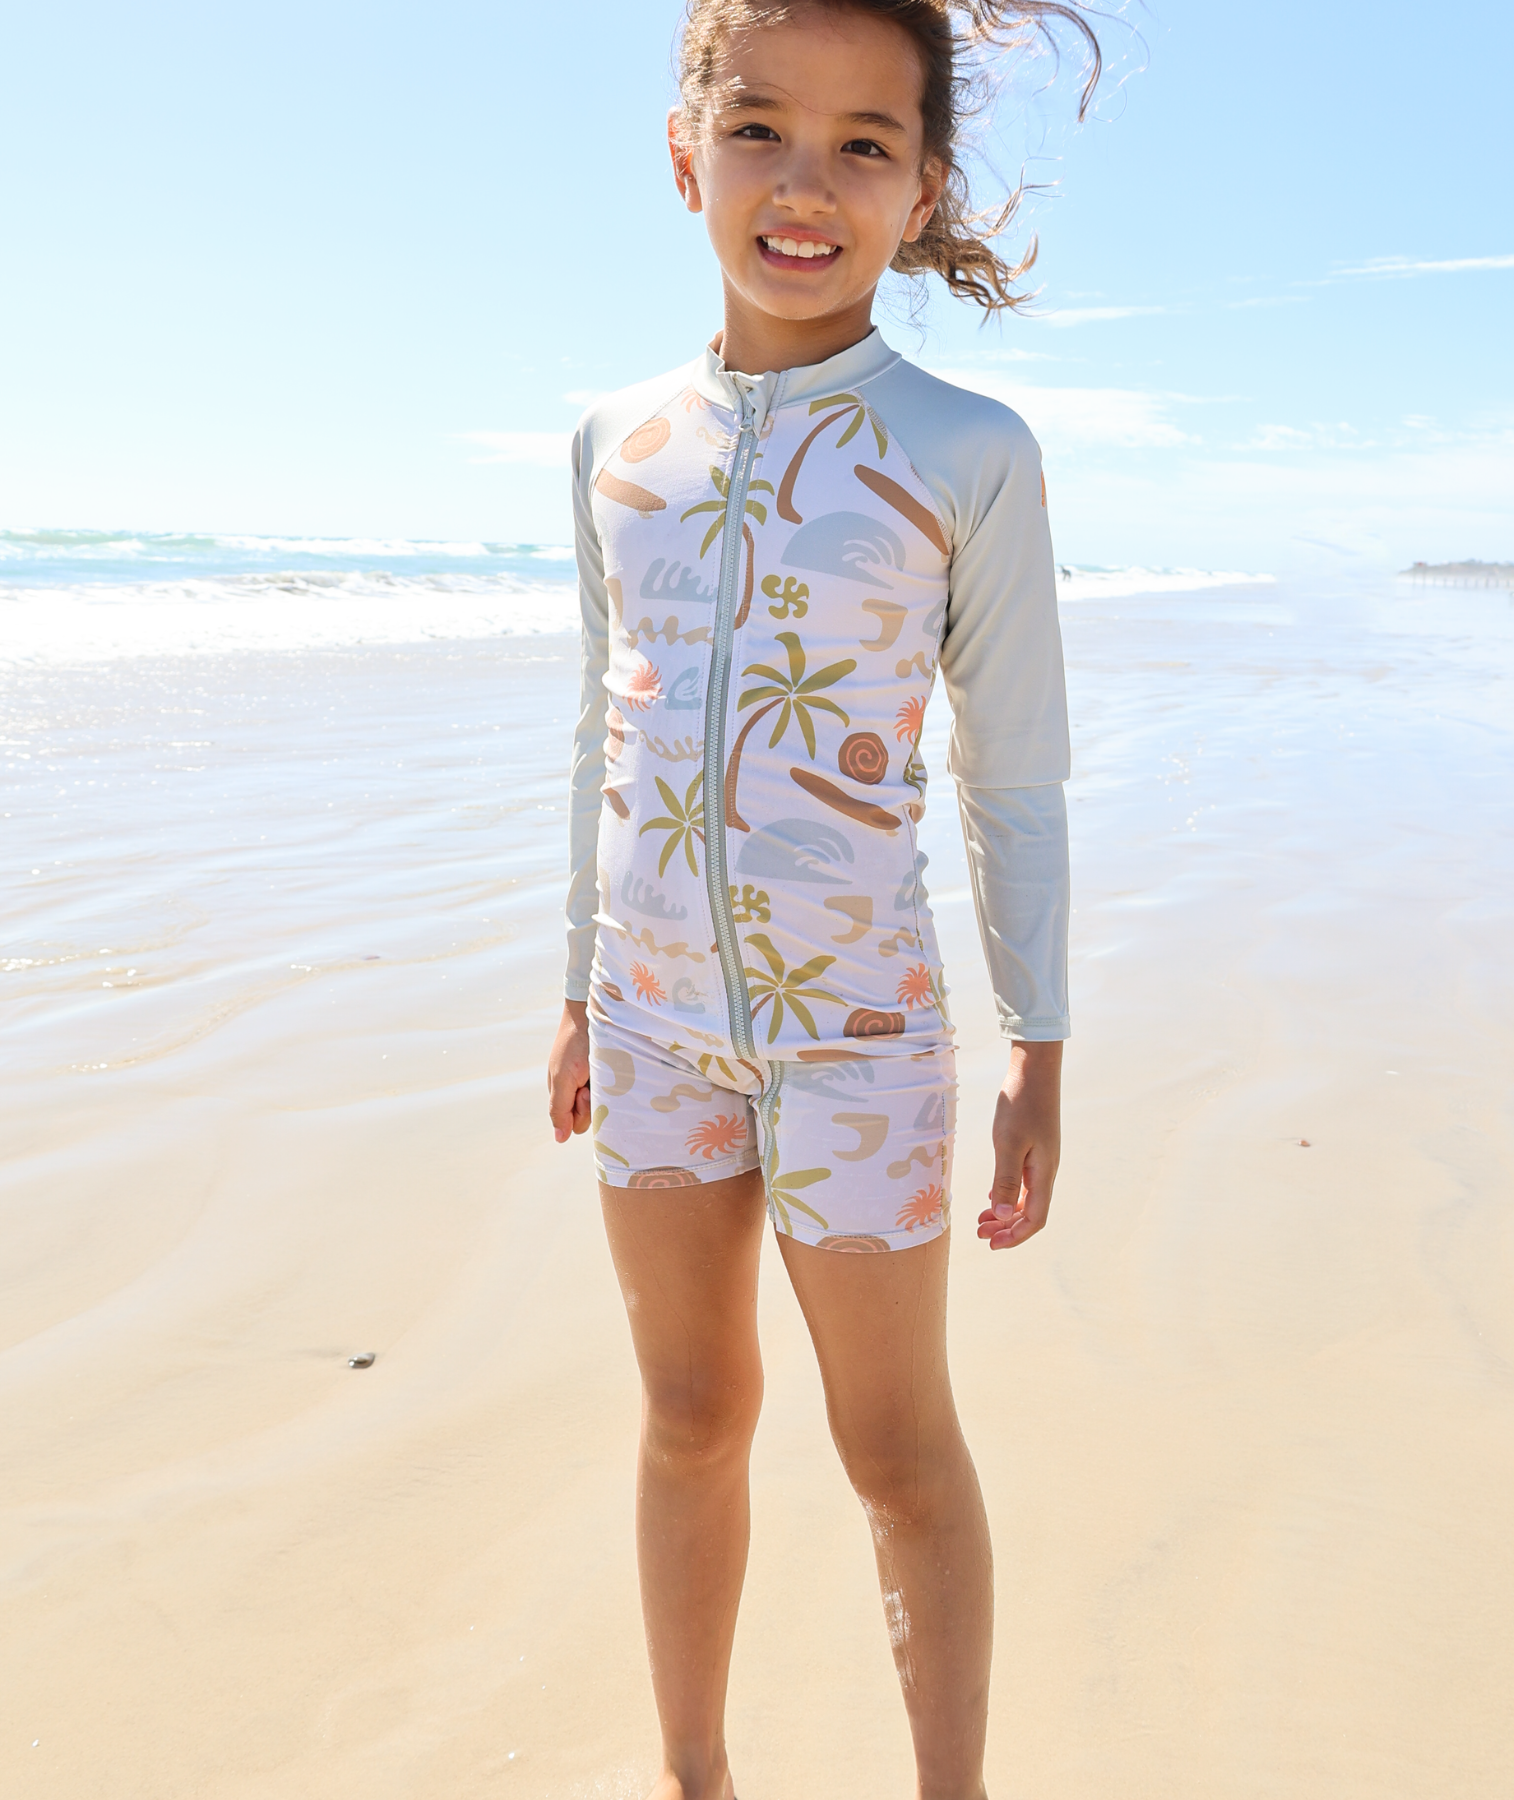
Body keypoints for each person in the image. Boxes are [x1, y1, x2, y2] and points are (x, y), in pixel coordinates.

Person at [546, 4, 1098, 1793]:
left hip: (858, 1032)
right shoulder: (616, 439)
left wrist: (1039, 1040)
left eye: (865, 144)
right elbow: (605, 722)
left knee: (896, 1450)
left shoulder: (966, 451)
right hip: (649, 1023)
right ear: (685, 154)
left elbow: (1012, 766)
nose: (805, 184)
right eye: (761, 129)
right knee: (689, 1410)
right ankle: (691, 1774)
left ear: (922, 191)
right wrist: (575, 988)